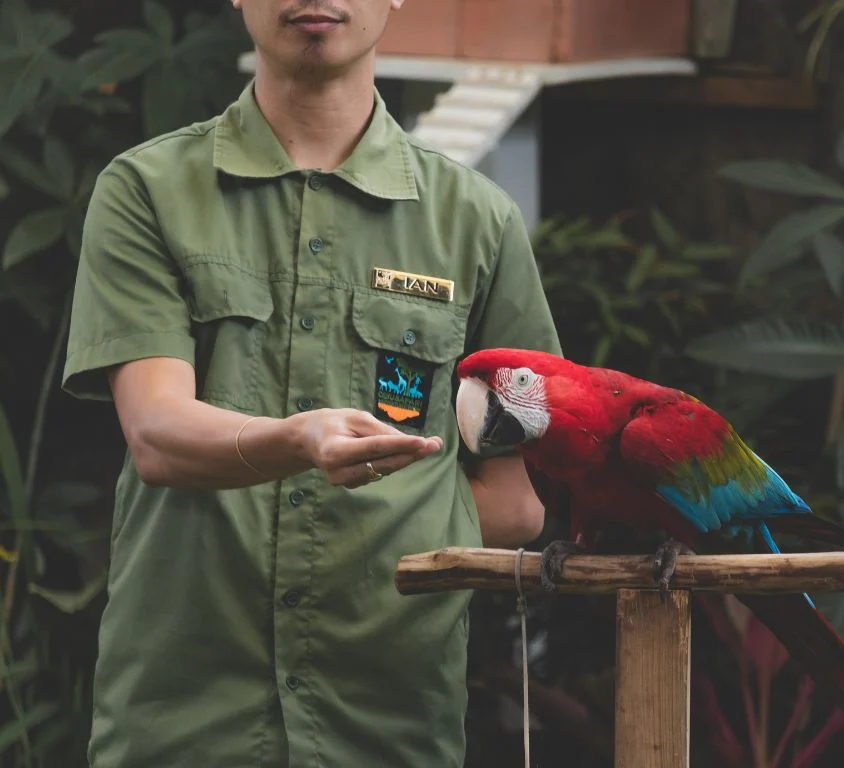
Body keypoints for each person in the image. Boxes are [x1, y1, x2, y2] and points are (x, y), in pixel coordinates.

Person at [60, 0, 562, 765]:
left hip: (389, 713)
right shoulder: (148, 190)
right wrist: (299, 441)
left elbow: (517, 500)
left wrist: (376, 543)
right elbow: (157, 433)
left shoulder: (478, 223)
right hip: (184, 715)